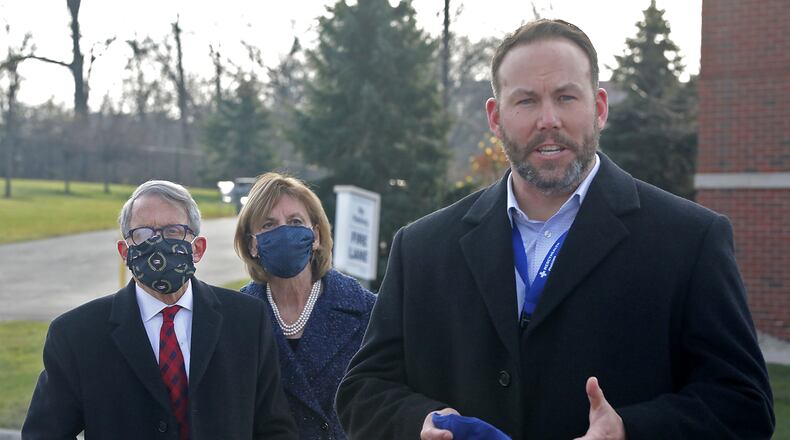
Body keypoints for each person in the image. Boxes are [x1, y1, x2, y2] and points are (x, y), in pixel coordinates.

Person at [335, 19, 774, 440]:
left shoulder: (690, 240)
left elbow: (743, 404)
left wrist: (630, 430)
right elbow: (364, 390)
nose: (548, 119)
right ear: (495, 117)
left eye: (566, 97)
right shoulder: (422, 248)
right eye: (526, 101)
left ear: (599, 108)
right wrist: (419, 423)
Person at [23, 180, 297, 440]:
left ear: (198, 248)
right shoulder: (76, 334)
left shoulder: (247, 320)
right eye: (142, 234)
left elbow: (273, 427)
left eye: (173, 232)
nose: (158, 244)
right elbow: (44, 434)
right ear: (125, 252)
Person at [234, 172, 376, 440]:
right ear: (253, 244)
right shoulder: (235, 320)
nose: (284, 231)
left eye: (295, 221)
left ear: (316, 236)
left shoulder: (368, 311)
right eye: (269, 224)